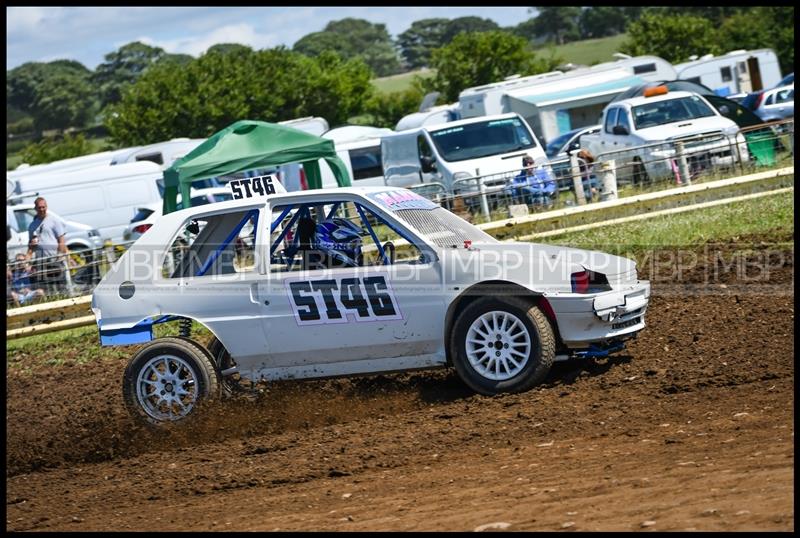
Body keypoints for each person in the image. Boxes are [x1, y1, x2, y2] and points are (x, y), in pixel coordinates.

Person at [25, 197, 72, 295]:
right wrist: (30, 249)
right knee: (48, 289)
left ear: (46, 207)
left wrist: (59, 256)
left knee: (62, 287)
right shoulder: (32, 225)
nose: (42, 209)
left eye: (43, 207)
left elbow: (61, 240)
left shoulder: (54, 220)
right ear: (35, 209)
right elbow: (30, 247)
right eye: (39, 207)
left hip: (55, 260)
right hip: (42, 263)